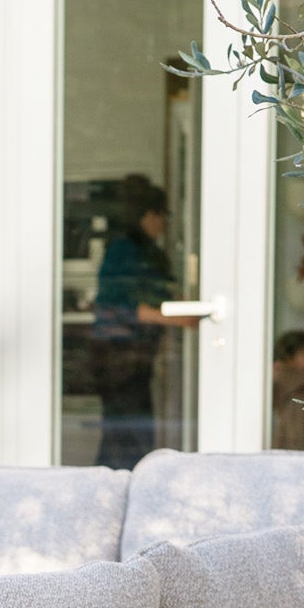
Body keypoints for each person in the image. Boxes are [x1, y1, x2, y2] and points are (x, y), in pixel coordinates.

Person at [90, 175, 198, 469]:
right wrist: (175, 319)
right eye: (163, 217)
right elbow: (118, 306)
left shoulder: (143, 251)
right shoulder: (125, 251)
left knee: (125, 433)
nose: (164, 224)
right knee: (128, 435)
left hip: (130, 357)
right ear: (149, 215)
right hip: (119, 356)